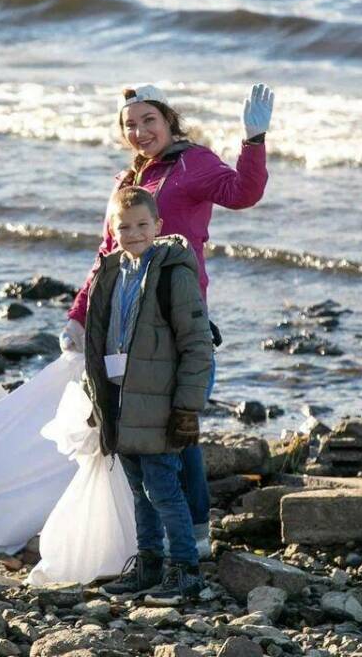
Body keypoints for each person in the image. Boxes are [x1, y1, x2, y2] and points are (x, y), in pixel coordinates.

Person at [62, 82, 273, 555]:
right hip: (122, 317)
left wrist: (253, 141)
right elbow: (107, 252)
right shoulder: (126, 182)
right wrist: (79, 315)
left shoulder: (192, 162)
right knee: (135, 423)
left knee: (178, 424)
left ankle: (194, 535)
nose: (140, 131)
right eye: (130, 125)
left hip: (174, 312)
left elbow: (243, 193)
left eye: (148, 120)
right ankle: (149, 539)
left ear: (168, 120)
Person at [82, 186, 213, 602]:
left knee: (163, 488)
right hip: (122, 400)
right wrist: (96, 399)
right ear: (111, 229)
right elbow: (100, 340)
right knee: (139, 489)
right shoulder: (111, 272)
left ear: (158, 226)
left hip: (159, 402)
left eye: (142, 224)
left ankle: (185, 570)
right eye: (124, 226)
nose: (134, 232)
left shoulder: (173, 272)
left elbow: (196, 342)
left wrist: (188, 406)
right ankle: (149, 564)